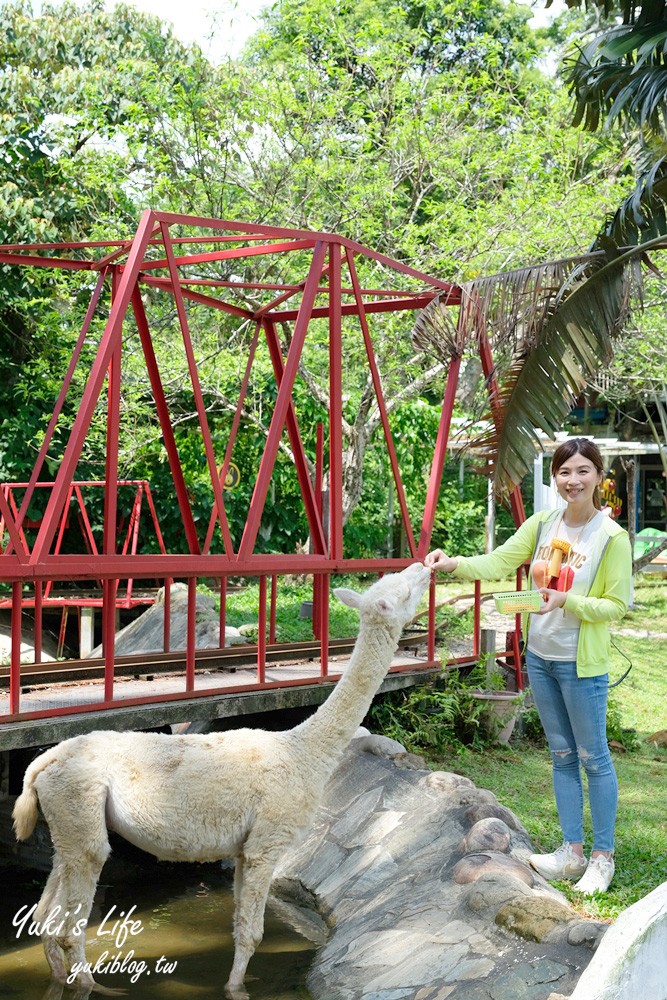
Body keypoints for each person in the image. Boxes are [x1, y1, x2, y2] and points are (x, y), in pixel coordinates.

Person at [425, 438, 632, 894]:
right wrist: (452, 562)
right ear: (554, 478)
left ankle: (602, 857)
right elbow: (500, 560)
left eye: (582, 471)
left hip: (582, 664)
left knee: (593, 758)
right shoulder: (542, 524)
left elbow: (618, 604)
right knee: (560, 757)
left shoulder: (610, 536)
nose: (572, 480)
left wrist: (567, 600)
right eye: (563, 472)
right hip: (540, 658)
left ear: (598, 475)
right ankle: (570, 852)